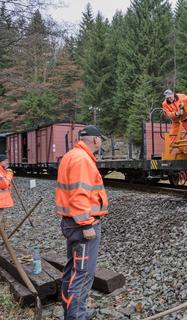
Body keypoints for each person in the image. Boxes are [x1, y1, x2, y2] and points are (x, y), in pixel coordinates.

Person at [56, 125, 109, 320]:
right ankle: (76, 316)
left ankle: (70, 312)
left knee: (72, 270)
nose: (101, 142)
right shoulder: (82, 160)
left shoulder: (72, 155)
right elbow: (79, 195)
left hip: (71, 223)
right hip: (82, 225)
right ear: (95, 140)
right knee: (83, 274)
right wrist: (87, 224)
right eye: (101, 139)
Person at [0, 154, 14, 221]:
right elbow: (4, 184)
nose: (7, 162)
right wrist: (9, 174)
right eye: (6, 161)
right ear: (1, 162)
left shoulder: (2, 170)